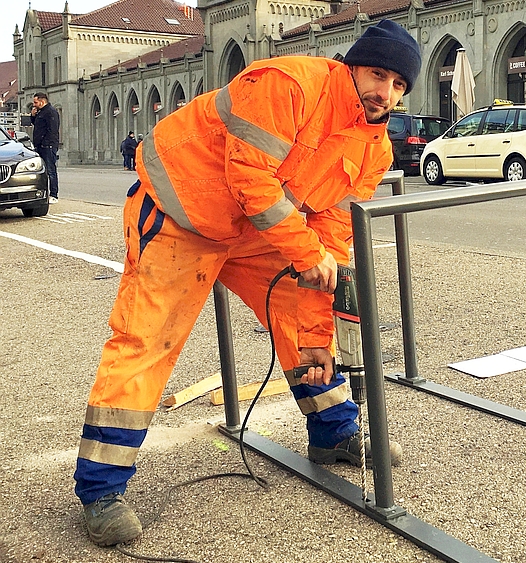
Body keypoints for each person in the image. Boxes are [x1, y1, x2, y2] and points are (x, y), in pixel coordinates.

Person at [73, 19, 421, 547]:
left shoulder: (373, 148)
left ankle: (333, 431)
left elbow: (330, 233)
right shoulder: (288, 84)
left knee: (307, 298)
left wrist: (318, 305)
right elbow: (251, 178)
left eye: (399, 86)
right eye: (378, 74)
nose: (385, 93)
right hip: (181, 215)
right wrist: (306, 253)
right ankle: (101, 490)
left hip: (250, 226)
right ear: (351, 65)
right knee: (147, 341)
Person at [30, 91, 60, 203]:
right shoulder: (40, 112)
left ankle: (54, 194)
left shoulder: (51, 112)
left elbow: (52, 130)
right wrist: (33, 116)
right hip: (40, 145)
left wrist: (45, 143)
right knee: (42, 171)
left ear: (42, 101)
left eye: (35, 102)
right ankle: (43, 193)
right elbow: (37, 126)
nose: (34, 104)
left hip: (48, 146)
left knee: (51, 170)